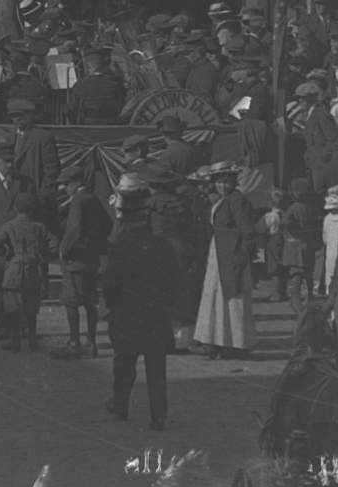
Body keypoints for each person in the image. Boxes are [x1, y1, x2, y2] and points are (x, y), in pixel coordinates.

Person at [101, 182, 178, 432]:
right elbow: (174, 282)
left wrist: (112, 306)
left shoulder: (120, 247)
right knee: (156, 368)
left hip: (127, 315)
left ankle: (120, 404)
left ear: (125, 218)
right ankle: (159, 416)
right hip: (156, 315)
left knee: (124, 364)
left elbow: (110, 284)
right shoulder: (163, 246)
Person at [191, 161, 260, 359]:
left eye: (226, 182)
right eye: (219, 182)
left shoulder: (238, 200)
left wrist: (244, 255)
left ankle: (236, 345)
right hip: (218, 253)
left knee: (232, 299)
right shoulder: (220, 200)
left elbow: (247, 230)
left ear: (233, 182)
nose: (222, 185)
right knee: (214, 298)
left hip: (232, 254)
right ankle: (213, 341)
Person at [0, 199, 55, 352]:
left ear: (16, 208)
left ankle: (15, 341)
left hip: (13, 269)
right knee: (31, 307)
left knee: (13, 307)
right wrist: (41, 257)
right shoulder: (38, 227)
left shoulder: (8, 226)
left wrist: (7, 256)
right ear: (31, 210)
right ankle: (32, 341)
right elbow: (54, 243)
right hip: (31, 269)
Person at [56, 161, 109, 359]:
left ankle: (74, 344)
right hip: (91, 258)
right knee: (89, 300)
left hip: (76, 258)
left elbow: (75, 228)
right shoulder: (93, 197)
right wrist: (93, 241)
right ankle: (91, 343)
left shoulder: (77, 200)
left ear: (76, 182)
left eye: (67, 183)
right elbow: (108, 224)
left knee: (71, 301)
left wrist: (64, 249)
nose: (64, 188)